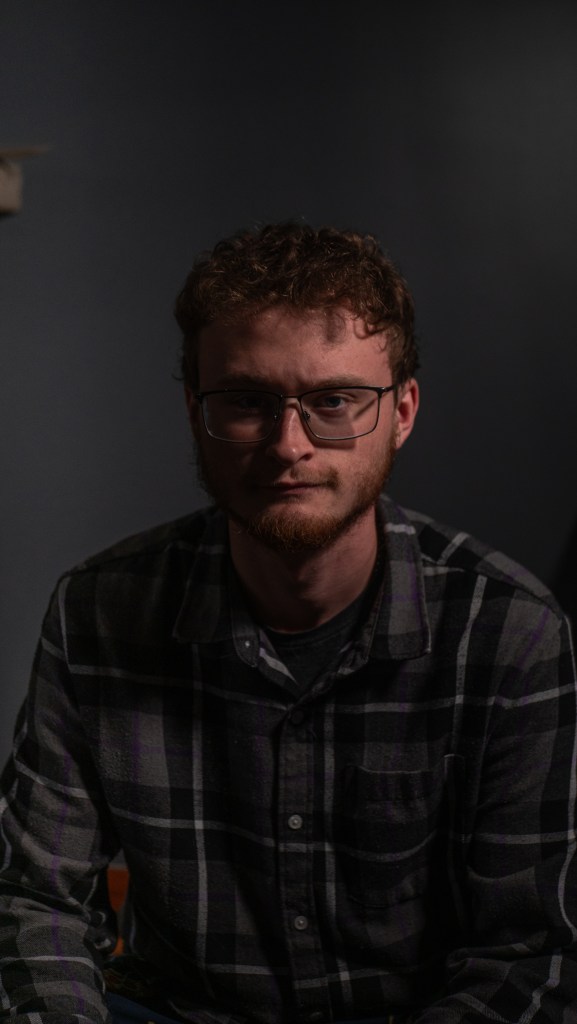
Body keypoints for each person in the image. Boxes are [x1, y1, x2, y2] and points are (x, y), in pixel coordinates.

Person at [1, 222, 576, 1024]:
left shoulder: (508, 633)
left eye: (335, 400)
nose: (288, 444)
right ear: (196, 408)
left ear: (401, 411)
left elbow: (529, 953)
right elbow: (36, 903)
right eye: (246, 402)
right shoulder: (98, 611)